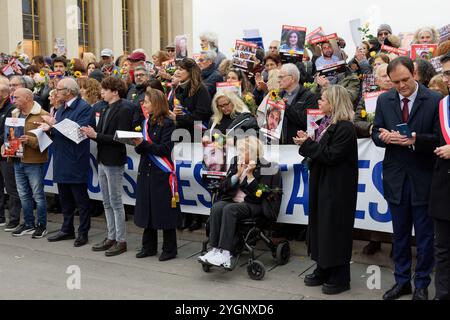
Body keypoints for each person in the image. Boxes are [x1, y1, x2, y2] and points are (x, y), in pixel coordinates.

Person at [372, 57, 441, 300]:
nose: (401, 86)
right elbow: (375, 131)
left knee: (424, 236)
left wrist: (416, 140)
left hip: (423, 177)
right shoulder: (384, 99)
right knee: (399, 235)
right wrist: (385, 138)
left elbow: (440, 138)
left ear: (415, 74)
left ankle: (421, 283)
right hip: (395, 177)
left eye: (405, 80)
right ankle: (402, 281)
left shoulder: (434, 100)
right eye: (396, 82)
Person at [294, 85, 358, 295]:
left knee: (335, 229)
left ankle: (340, 275)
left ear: (334, 102)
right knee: (320, 226)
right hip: (322, 182)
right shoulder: (326, 123)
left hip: (337, 187)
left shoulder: (345, 128)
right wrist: (308, 142)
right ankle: (323, 266)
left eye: (323, 99)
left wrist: (308, 144)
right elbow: (321, 152)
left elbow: (331, 155)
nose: (319, 102)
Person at [198, 135, 282, 268]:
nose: (239, 153)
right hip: (234, 202)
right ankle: (215, 249)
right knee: (217, 207)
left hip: (255, 205)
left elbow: (263, 193)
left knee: (229, 209)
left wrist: (249, 177)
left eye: (243, 150)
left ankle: (225, 254)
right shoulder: (236, 162)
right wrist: (237, 175)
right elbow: (223, 186)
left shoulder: (267, 167)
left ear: (253, 152)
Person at [81, 77, 133, 257]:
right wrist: (90, 133)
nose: (102, 92)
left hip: (114, 159)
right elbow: (101, 132)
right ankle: (111, 236)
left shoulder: (124, 108)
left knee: (116, 201)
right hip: (102, 158)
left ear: (115, 91)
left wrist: (95, 135)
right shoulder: (104, 107)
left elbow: (120, 138)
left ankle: (121, 239)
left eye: (105, 89)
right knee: (106, 200)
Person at [44, 78, 93, 248]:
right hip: (61, 157)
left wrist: (54, 124)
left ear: (69, 91)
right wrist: (49, 129)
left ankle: (83, 232)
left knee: (80, 199)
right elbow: (58, 132)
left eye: (58, 89)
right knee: (64, 198)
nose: (56, 92)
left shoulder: (84, 108)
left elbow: (79, 133)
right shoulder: (62, 108)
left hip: (75, 159)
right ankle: (67, 228)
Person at [133, 88, 180, 262]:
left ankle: (170, 249)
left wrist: (143, 144)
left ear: (156, 103)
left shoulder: (168, 124)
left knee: (164, 212)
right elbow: (142, 150)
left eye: (146, 101)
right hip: (146, 170)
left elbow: (164, 149)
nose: (143, 104)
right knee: (148, 209)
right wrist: (138, 143)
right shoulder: (146, 123)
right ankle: (148, 246)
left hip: (162, 173)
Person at [6, 89, 49, 238]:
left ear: (28, 98)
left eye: (16, 97)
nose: (13, 100)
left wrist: (28, 140)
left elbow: (45, 143)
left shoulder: (43, 114)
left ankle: (41, 225)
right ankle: (28, 223)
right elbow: (10, 135)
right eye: (13, 97)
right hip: (17, 159)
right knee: (23, 194)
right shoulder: (15, 113)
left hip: (34, 161)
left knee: (37, 194)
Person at [429, 53, 450, 300]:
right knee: (443, 248)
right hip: (443, 184)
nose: (448, 78)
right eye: (446, 73)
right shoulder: (443, 104)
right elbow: (435, 137)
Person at [0, 83, 22, 231]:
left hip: (6, 153)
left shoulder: (12, 110)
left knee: (11, 187)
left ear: (4, 94)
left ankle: (14, 219)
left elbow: (10, 132)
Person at [277, 64, 316, 144]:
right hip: (278, 145)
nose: (278, 80)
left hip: (297, 146)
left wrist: (285, 107)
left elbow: (305, 121)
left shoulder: (309, 97)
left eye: (281, 77)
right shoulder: (279, 95)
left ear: (292, 78)